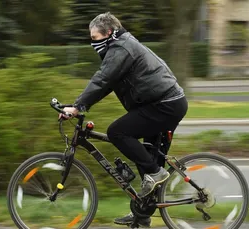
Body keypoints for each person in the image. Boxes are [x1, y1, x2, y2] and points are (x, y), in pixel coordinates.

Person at [60, 12, 188, 227]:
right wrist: (78, 105)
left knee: (117, 132)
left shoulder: (121, 48)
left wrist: (78, 106)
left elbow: (102, 79)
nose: (93, 43)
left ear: (109, 33)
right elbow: (107, 84)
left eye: (95, 38)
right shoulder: (119, 46)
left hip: (165, 105)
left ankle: (157, 173)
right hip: (162, 103)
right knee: (145, 159)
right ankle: (142, 213)